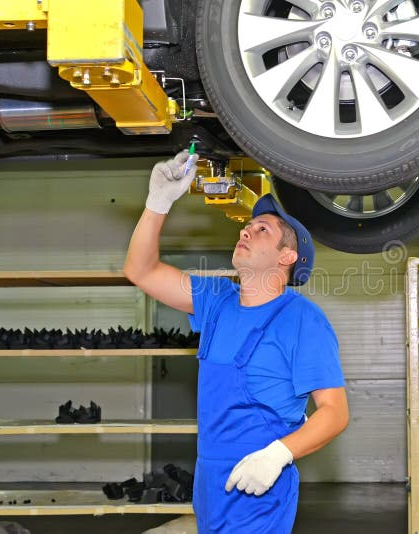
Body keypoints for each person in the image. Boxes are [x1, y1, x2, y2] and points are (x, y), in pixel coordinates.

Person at [124, 152, 349, 533]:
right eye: (247, 226)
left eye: (262, 229)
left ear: (287, 256)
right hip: (208, 483)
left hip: (259, 482)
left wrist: (278, 456)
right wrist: (157, 203)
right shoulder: (216, 300)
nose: (244, 231)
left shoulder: (302, 321)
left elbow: (335, 413)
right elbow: (139, 270)